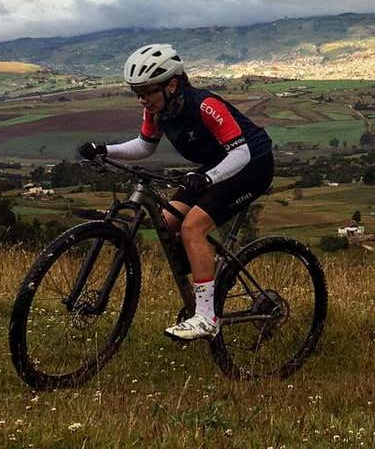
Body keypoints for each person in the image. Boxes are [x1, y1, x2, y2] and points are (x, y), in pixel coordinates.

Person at [78, 43, 274, 340]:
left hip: (251, 165)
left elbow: (240, 154)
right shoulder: (159, 111)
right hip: (214, 167)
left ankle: (207, 317)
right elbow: (145, 146)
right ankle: (206, 281)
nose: (143, 100)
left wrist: (207, 179)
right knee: (168, 223)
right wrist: (106, 150)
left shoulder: (205, 105)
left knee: (192, 227)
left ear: (172, 84)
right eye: (138, 93)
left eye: (148, 91)